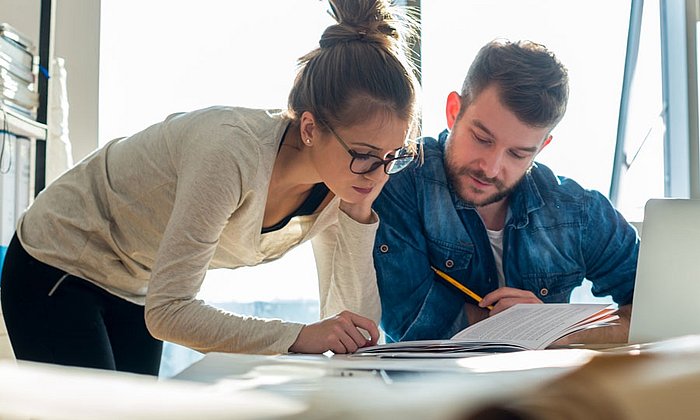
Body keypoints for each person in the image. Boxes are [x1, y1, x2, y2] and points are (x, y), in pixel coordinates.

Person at [0, 0, 420, 375]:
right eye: (365, 154)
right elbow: (169, 312)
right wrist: (297, 335)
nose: (378, 175)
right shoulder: (230, 152)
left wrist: (357, 217)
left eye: (392, 158)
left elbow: (355, 329)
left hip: (137, 283)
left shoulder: (342, 184)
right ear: (310, 128)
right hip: (61, 257)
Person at [372, 39, 638, 344]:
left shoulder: (579, 212)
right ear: (453, 110)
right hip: (431, 390)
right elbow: (409, 320)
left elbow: (659, 310)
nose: (492, 168)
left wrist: (558, 330)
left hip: (546, 390)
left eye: (518, 154)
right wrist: (509, 324)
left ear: (541, 148)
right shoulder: (400, 180)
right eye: (482, 138)